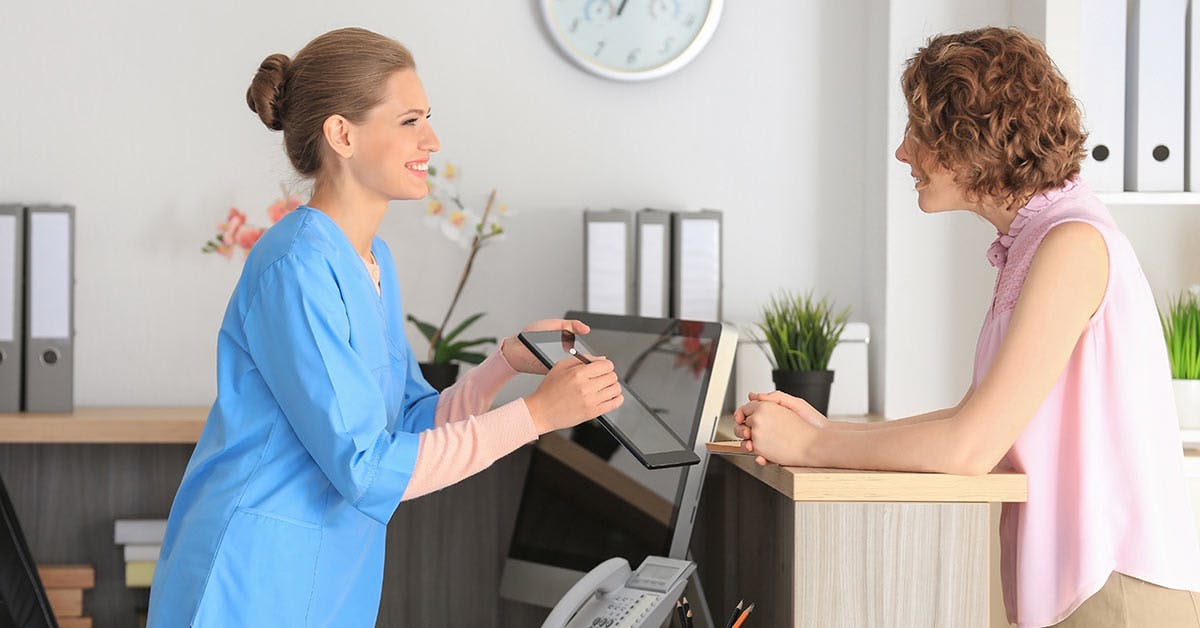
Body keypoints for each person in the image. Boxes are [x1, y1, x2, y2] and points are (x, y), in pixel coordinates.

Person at [146, 27, 623, 627]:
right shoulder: (297, 267)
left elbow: (408, 424)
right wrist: (538, 416)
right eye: (410, 121)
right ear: (342, 134)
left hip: (326, 578)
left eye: (428, 120)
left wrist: (505, 364)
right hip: (250, 581)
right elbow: (368, 469)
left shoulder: (372, 262)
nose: (432, 140)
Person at [734, 27, 1200, 628]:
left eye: (917, 132)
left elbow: (971, 446)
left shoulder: (1072, 244)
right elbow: (976, 417)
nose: (903, 153)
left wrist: (811, 447)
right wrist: (827, 429)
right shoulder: (1038, 241)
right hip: (1091, 588)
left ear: (970, 140)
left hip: (1117, 593)